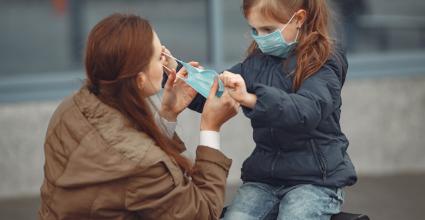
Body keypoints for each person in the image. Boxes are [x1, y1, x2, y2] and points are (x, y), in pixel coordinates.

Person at [38, 13, 239, 220]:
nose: (169, 60)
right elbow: (201, 213)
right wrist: (210, 127)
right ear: (140, 80)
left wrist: (168, 115)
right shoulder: (143, 165)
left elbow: (122, 163)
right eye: (160, 56)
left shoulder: (72, 106)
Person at [184, 0, 357, 219]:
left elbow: (306, 110)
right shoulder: (255, 62)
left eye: (268, 30)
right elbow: (214, 94)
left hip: (314, 181)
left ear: (299, 19)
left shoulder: (325, 60)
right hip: (264, 179)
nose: (261, 38)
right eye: (254, 30)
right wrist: (182, 75)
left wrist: (252, 99)